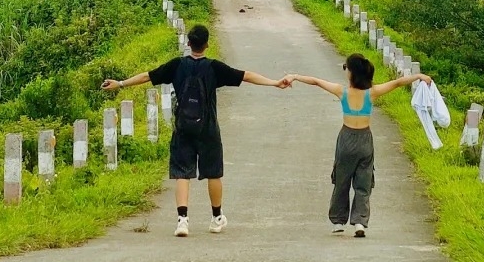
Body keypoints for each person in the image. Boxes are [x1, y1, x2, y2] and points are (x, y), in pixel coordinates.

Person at [102, 24, 289, 237]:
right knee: (213, 173)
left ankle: (182, 221)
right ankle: (217, 218)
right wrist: (274, 83)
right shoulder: (214, 67)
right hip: (208, 128)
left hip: (183, 127)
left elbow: (148, 76)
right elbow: (245, 76)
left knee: (182, 172)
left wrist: (120, 83)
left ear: (189, 43)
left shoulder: (177, 65)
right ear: (207, 44)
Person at [283, 54, 425, 238]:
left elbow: (316, 81)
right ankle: (360, 222)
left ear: (351, 73)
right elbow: (397, 83)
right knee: (363, 183)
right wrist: (419, 76)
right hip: (365, 139)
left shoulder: (342, 92)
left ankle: (338, 221)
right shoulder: (371, 93)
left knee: (341, 181)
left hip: (346, 139)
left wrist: (294, 76)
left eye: (346, 68)